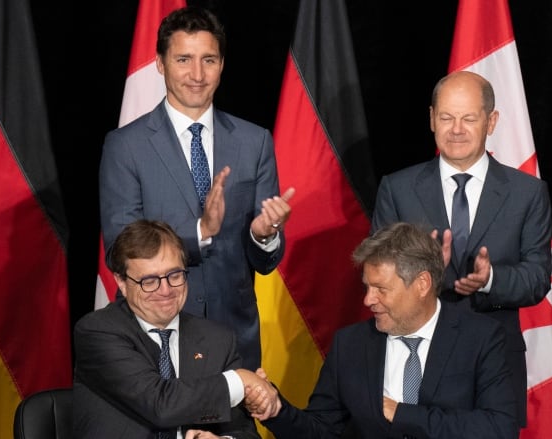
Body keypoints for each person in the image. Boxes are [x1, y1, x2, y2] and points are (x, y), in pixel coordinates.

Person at [99, 5, 295, 372]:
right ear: (160, 63)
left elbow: (265, 262)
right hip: (155, 336)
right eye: (183, 59)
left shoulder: (255, 142)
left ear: (222, 64)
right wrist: (199, 232)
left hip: (234, 339)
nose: (197, 74)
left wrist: (263, 236)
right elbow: (119, 249)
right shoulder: (125, 146)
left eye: (209, 60)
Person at [370, 70, 552, 427]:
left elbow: (537, 277)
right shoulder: (398, 189)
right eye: (447, 118)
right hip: (414, 359)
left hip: (493, 365)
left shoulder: (527, 193)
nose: (457, 129)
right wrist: (425, 271)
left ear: (492, 121)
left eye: (469, 118)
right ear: (431, 119)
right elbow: (378, 272)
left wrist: (490, 279)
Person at [248, 222, 518, 438]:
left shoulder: (481, 338)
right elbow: (323, 430)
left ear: (422, 284)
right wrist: (277, 410)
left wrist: (398, 413)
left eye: (381, 289)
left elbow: (499, 428)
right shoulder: (351, 344)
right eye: (367, 286)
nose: (368, 300)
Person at [73, 219, 280, 438]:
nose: (165, 290)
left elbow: (245, 433)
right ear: (122, 282)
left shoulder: (217, 340)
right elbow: (160, 405)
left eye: (174, 275)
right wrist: (241, 380)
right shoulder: (98, 331)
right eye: (149, 281)